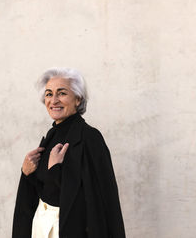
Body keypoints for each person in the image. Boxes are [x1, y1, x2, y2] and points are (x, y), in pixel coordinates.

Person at [12, 67, 126, 238]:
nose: (54, 100)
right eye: (49, 94)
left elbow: (99, 199)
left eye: (62, 93)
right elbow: (43, 188)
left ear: (78, 99)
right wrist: (27, 173)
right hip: (41, 227)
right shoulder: (52, 135)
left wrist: (55, 169)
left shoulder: (89, 138)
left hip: (69, 229)